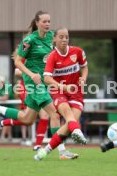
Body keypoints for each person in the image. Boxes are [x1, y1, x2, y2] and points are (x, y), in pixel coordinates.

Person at [0, 11, 86, 159]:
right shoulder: (29, 40)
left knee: (27, 119)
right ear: (37, 23)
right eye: (44, 21)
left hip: (46, 81)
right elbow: (17, 61)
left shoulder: (52, 36)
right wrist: (31, 75)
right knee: (54, 113)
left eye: (49, 21)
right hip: (34, 82)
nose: (47, 24)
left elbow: (61, 54)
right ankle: (62, 152)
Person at [34, 27, 88, 160]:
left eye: (66, 37)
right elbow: (46, 79)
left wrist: (83, 78)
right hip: (58, 91)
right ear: (54, 39)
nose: (64, 40)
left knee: (69, 124)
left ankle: (44, 152)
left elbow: (85, 67)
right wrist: (63, 88)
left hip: (76, 92)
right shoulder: (52, 56)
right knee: (68, 116)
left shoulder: (78, 52)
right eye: (61, 37)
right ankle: (78, 131)